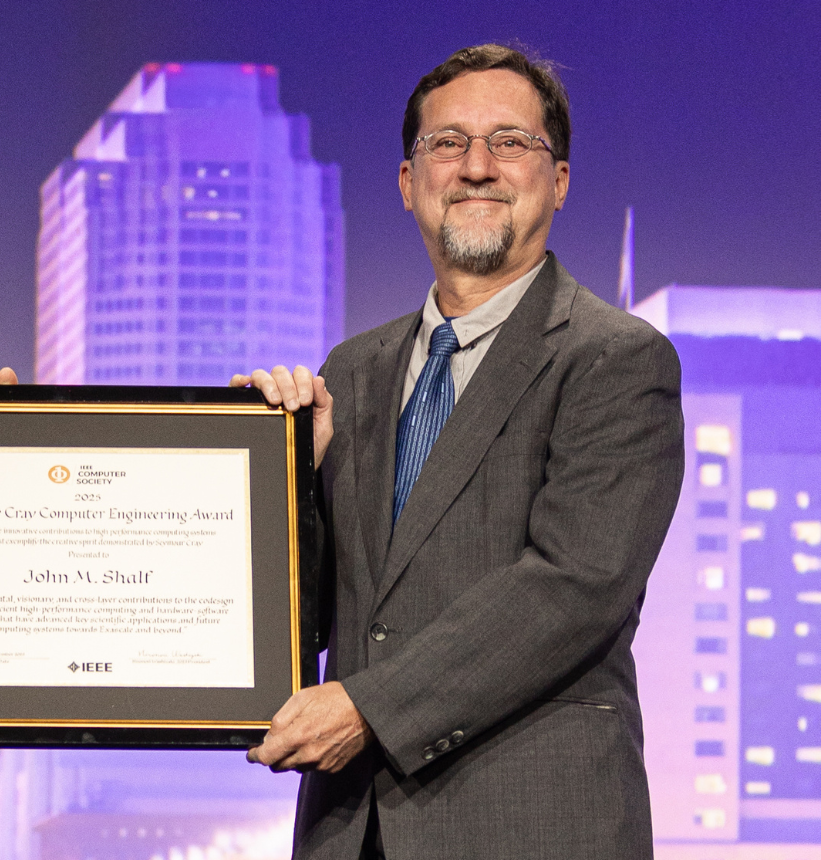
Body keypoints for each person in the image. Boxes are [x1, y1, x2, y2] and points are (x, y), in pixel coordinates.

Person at [237, 44, 684, 859]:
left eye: (511, 142)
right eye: (447, 144)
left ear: (560, 181)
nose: (476, 166)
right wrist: (278, 487)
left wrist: (368, 709)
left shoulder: (616, 359)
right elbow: (321, 612)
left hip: (532, 825)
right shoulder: (353, 372)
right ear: (409, 184)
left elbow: (573, 585)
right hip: (352, 830)